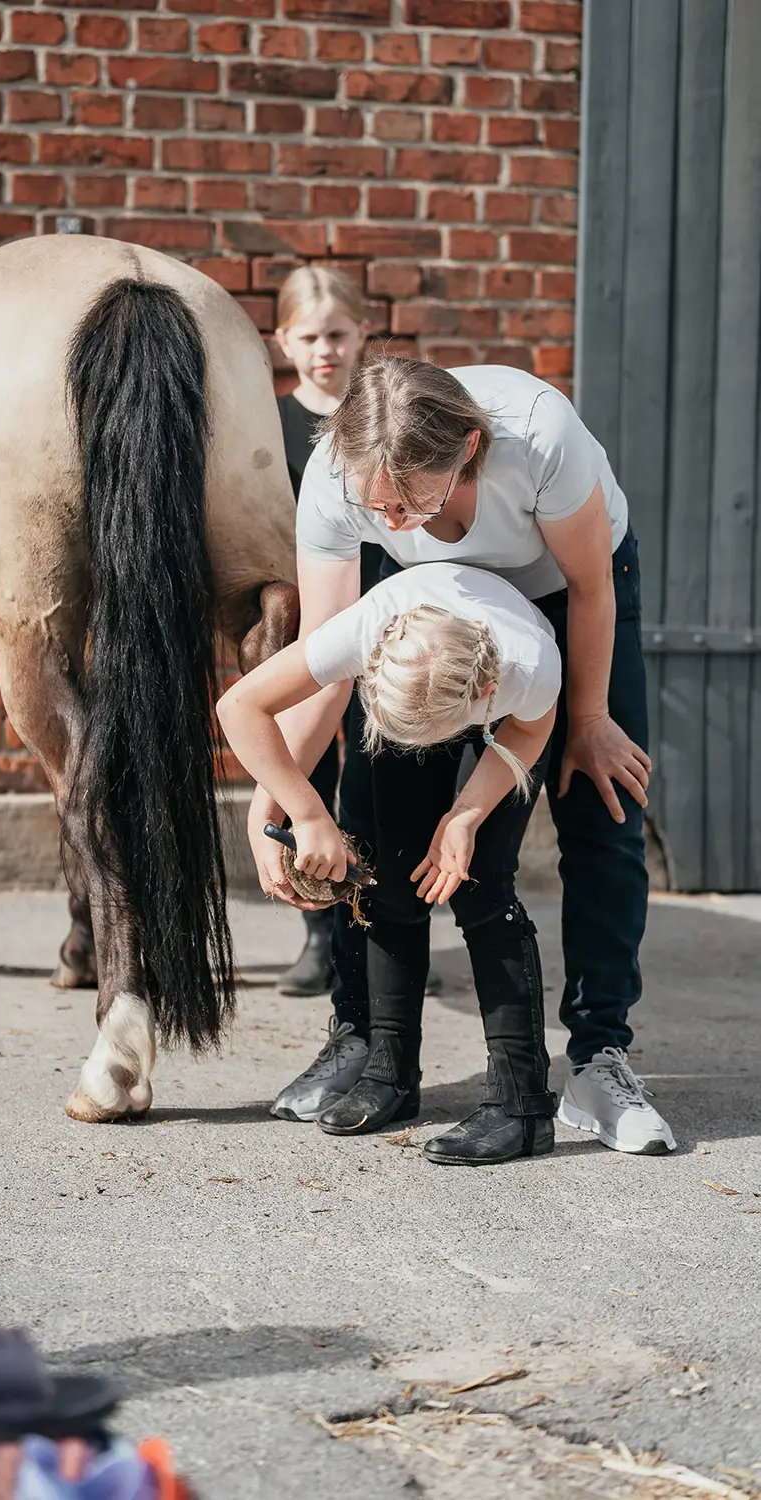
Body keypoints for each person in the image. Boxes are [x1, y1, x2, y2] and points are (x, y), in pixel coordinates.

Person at [249, 358, 675, 1157]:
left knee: (602, 799)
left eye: (409, 499)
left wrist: (586, 716)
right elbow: (322, 664)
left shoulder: (540, 437)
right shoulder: (346, 483)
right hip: (425, 604)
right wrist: (281, 792)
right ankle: (365, 1040)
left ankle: (597, 1056)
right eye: (380, 505)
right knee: (374, 818)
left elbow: (589, 589)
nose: (393, 517)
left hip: (566, 590)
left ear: (470, 448)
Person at [219, 561, 560, 1162]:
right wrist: (307, 813)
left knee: (481, 887)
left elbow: (531, 733)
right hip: (417, 682)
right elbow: (239, 707)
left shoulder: (529, 666)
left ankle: (521, 1106)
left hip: (495, 719)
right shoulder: (366, 630)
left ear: (484, 695)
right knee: (393, 880)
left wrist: (464, 816)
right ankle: (391, 1074)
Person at [271, 268, 376, 997]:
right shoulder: (270, 423)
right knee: (312, 772)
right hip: (309, 623)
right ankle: (319, 929)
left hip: (387, 619)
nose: (324, 351)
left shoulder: (382, 413)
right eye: (309, 337)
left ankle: (378, 919)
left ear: (363, 332)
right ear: (283, 341)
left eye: (337, 334)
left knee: (382, 765)